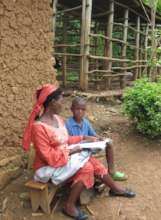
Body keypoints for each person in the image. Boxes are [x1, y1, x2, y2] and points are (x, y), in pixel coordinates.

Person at [22, 84, 135, 220]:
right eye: (61, 101)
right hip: (48, 168)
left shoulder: (57, 119)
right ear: (52, 102)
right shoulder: (38, 128)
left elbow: (65, 139)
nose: (63, 105)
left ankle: (114, 189)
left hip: (62, 158)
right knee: (87, 166)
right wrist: (74, 150)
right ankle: (70, 205)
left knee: (90, 162)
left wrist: (83, 138)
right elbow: (48, 157)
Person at [66, 97, 127, 181]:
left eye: (83, 109)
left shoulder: (85, 122)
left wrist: (100, 138)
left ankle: (112, 171)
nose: (80, 112)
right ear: (72, 109)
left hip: (88, 147)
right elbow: (69, 144)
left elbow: (93, 135)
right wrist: (85, 141)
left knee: (109, 143)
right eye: (77, 109)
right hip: (77, 152)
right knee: (98, 168)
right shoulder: (68, 124)